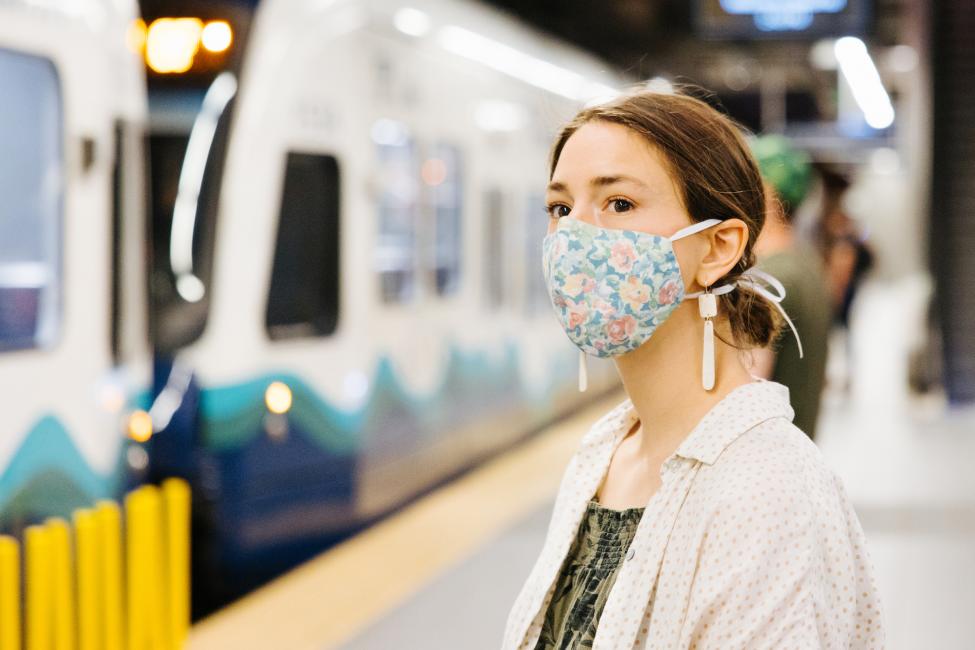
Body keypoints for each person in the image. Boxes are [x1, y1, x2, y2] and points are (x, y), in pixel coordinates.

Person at [502, 87, 884, 649]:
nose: (574, 237)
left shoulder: (766, 494)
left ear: (717, 248)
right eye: (561, 208)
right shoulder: (602, 454)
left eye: (619, 204)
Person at [751, 135, 831, 438]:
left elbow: (745, 393)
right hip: (796, 452)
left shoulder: (769, 281)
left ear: (767, 195)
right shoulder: (808, 265)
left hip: (762, 468)